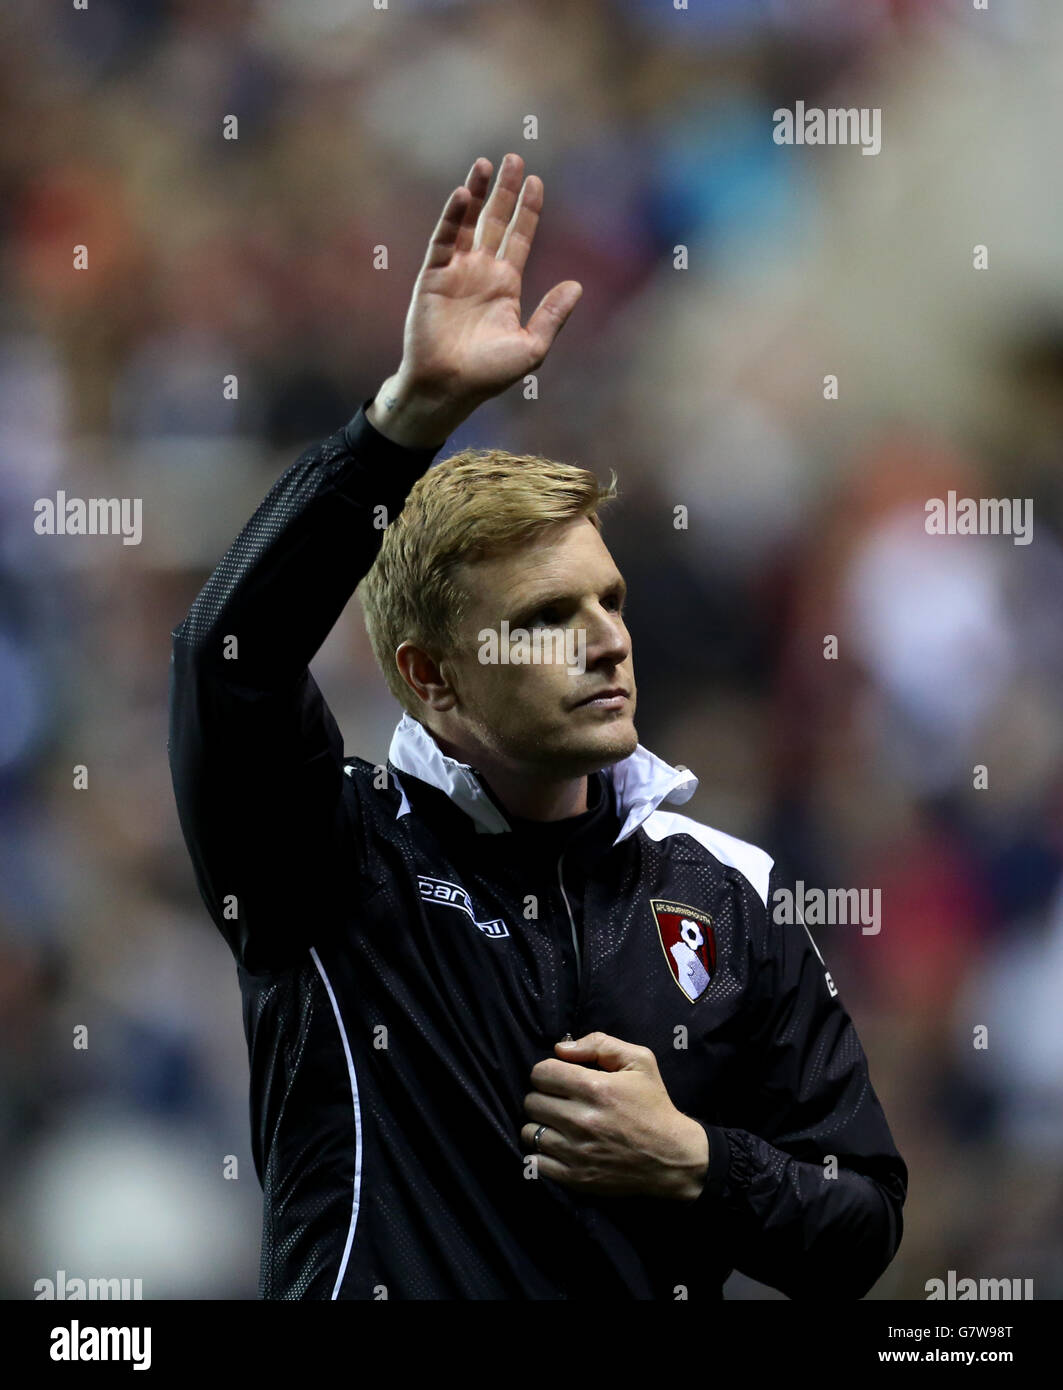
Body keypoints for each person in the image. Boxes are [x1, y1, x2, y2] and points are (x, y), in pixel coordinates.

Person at [168, 152, 907, 1300]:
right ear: (432, 677)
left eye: (610, 601)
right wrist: (405, 421)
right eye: (547, 618)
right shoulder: (330, 857)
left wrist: (698, 1164)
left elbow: (861, 1219)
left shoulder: (725, 893)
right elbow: (230, 658)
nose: (606, 639)